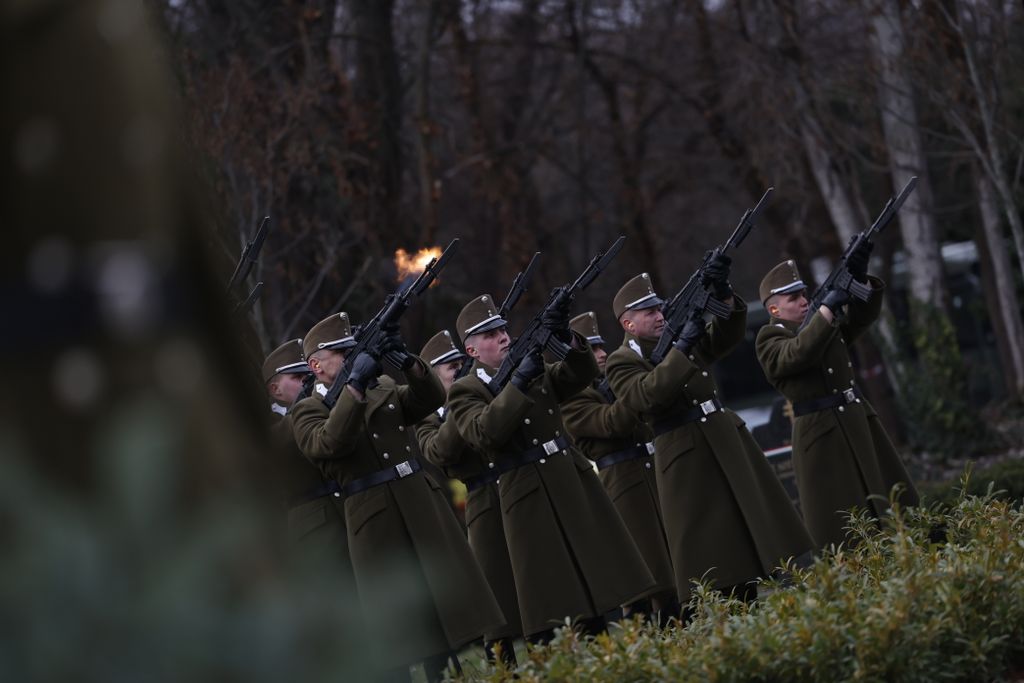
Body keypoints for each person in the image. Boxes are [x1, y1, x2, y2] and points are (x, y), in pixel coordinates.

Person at [290, 313, 504, 682]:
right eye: (343, 354)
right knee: (397, 628)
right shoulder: (308, 411)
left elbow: (430, 398)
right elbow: (328, 443)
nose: (352, 358)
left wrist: (404, 359)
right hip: (373, 517)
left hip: (418, 502)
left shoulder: (383, 385)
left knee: (442, 612)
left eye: (352, 351)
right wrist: (353, 385)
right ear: (316, 365)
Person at [445, 294, 655, 644]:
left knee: (595, 585)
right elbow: (482, 433)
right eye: (488, 334)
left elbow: (579, 373)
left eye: (501, 328)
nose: (501, 336)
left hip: (568, 480)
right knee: (548, 596)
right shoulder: (466, 389)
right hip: (525, 492)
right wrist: (517, 385)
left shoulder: (531, 365)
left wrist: (565, 339)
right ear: (472, 352)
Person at [605, 268, 814, 606]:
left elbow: (726, 336)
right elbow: (646, 397)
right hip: (685, 455)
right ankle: (729, 611)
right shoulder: (622, 361)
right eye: (649, 313)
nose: (659, 316)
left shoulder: (674, 338)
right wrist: (682, 347)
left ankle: (780, 591)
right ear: (628, 324)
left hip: (723, 439)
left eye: (659, 309)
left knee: (758, 527)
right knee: (714, 549)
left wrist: (724, 297)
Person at [755, 253, 920, 548]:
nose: (804, 301)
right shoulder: (769, 338)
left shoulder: (821, 326)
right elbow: (796, 354)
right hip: (822, 436)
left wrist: (860, 279)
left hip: (856, 421)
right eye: (794, 298)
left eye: (804, 294)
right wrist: (827, 309)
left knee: (890, 507)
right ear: (775, 308)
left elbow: (862, 318)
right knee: (844, 526)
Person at [560, 312, 678, 624]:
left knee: (672, 564)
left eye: (601, 348)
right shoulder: (571, 399)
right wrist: (635, 393)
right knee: (641, 574)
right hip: (622, 486)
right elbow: (611, 422)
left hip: (653, 471)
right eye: (593, 350)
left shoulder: (614, 382)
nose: (601, 355)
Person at [414, 330, 522, 668]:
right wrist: (459, 408)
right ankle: (504, 668)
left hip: (516, 488)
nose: (460, 372)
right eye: (451, 368)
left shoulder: (481, 392)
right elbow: (439, 451)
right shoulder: (427, 416)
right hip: (481, 501)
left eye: (462, 364)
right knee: (496, 594)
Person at [263, 339, 353, 575]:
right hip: (314, 529)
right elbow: (282, 443)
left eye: (308, 376)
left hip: (350, 509)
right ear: (275, 390)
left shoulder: (323, 407)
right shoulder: (269, 426)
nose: (307, 382)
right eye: (298, 379)